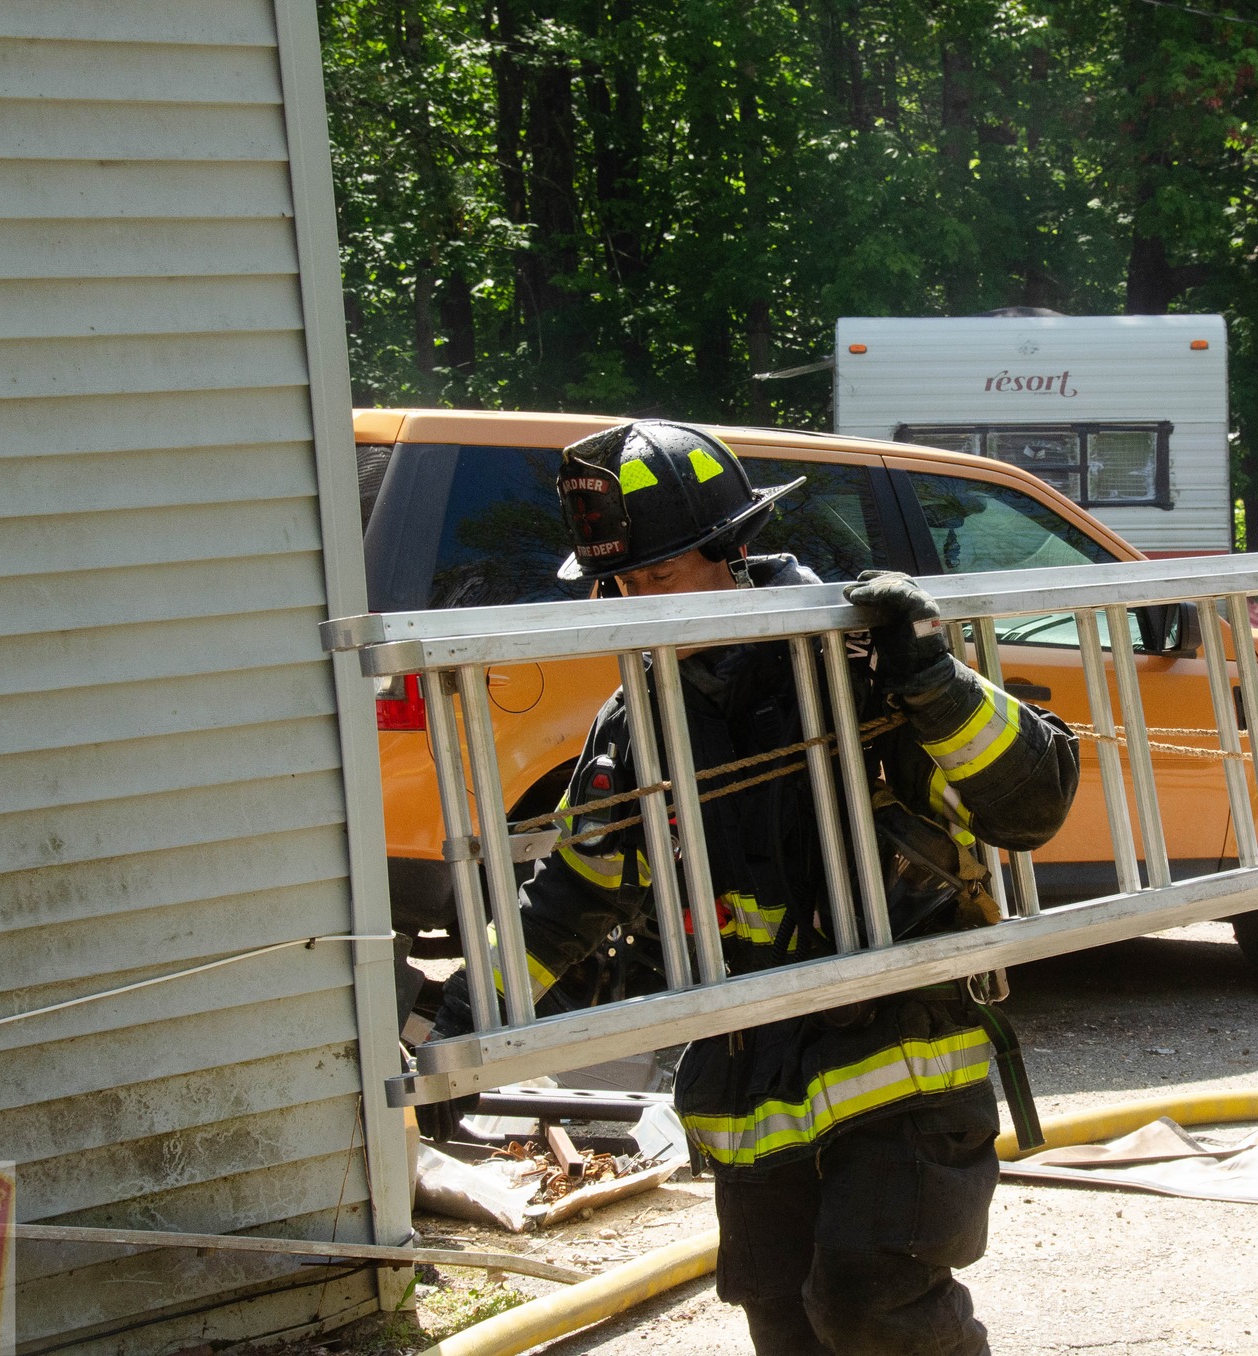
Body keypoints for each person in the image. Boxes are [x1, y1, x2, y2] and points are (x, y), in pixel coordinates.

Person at [427, 420, 1079, 1356]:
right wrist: (461, 1033)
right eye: (619, 585)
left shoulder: (862, 661)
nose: (636, 606)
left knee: (870, 1303)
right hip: (752, 1071)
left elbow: (1033, 806)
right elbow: (573, 895)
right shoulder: (642, 720)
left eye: (657, 577)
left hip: (900, 1051)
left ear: (730, 551)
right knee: (781, 1317)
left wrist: (933, 681)